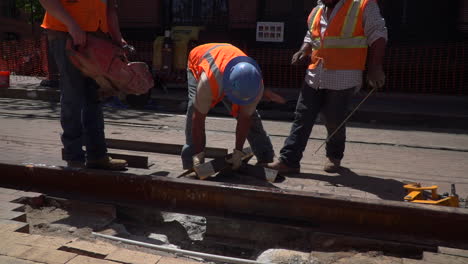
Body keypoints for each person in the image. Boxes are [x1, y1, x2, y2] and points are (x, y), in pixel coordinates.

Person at [266, 0, 387, 174]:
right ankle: (289, 160)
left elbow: (378, 34)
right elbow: (311, 36)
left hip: (343, 75)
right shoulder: (317, 11)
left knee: (334, 120)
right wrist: (303, 50)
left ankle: (334, 156)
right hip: (315, 74)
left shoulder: (362, 5)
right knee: (302, 117)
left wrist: (375, 67)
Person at [39, 0, 127, 170]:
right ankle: (75, 158)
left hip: (96, 35)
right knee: (73, 94)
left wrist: (117, 39)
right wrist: (72, 25)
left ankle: (97, 156)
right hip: (65, 33)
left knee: (93, 96)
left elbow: (110, 9)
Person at [181, 43, 286, 171]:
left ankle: (266, 157)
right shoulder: (208, 81)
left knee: (251, 116)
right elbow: (197, 119)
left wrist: (238, 152)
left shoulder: (256, 85)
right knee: (194, 107)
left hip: (227, 65)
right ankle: (192, 159)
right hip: (199, 59)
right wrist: (198, 154)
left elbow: (245, 118)